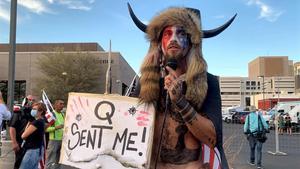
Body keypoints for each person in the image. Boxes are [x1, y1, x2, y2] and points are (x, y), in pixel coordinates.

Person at [128, 3, 236, 169]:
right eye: (167, 34)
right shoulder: (144, 83)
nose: (173, 39)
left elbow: (213, 139)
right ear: (159, 43)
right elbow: (125, 126)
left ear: (192, 42)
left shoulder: (209, 83)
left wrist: (180, 102)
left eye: (181, 33)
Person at [9, 95, 36, 169]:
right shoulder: (18, 113)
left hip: (32, 144)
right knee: (19, 163)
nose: (32, 102)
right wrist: (14, 142)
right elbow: (12, 128)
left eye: (33, 100)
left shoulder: (34, 114)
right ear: (26, 100)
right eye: (30, 100)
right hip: (20, 143)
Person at [19, 102, 46, 169]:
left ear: (41, 111)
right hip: (37, 149)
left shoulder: (37, 122)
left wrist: (30, 123)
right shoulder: (40, 121)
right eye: (32, 109)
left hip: (33, 150)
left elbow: (23, 135)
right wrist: (29, 121)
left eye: (34, 109)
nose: (32, 110)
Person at [46, 99, 65, 168]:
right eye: (61, 104)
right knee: (50, 159)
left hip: (62, 140)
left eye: (63, 104)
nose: (62, 105)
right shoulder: (51, 115)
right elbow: (46, 129)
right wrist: (56, 127)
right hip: (53, 140)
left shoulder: (63, 114)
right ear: (55, 105)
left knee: (59, 160)